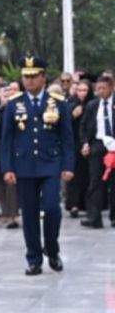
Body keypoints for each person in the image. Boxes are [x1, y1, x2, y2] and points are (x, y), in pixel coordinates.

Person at [0, 56, 74, 275]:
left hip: (50, 163)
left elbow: (67, 138)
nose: (29, 81)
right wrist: (8, 168)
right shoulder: (14, 104)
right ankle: (34, 259)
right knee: (29, 213)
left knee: (52, 208)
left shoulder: (57, 102)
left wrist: (68, 165)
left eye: (34, 76)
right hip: (24, 165)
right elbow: (7, 140)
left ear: (43, 77)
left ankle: (52, 248)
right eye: (26, 77)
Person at [81, 74, 115, 229]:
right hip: (98, 144)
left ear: (111, 87)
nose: (100, 91)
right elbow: (84, 126)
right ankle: (94, 217)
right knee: (95, 181)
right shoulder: (92, 105)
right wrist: (85, 143)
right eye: (98, 89)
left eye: (104, 88)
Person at [0, 81, 23, 229]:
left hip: (18, 149)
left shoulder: (21, 109)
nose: (9, 94)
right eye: (7, 91)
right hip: (2, 148)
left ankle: (14, 214)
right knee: (2, 181)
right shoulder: (1, 111)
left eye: (13, 91)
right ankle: (6, 213)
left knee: (13, 183)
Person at [65, 79, 91, 218]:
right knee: (73, 175)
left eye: (85, 90)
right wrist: (72, 115)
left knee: (87, 175)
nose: (82, 93)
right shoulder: (70, 104)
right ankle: (73, 204)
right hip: (73, 143)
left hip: (88, 143)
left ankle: (85, 203)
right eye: (79, 90)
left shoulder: (92, 104)